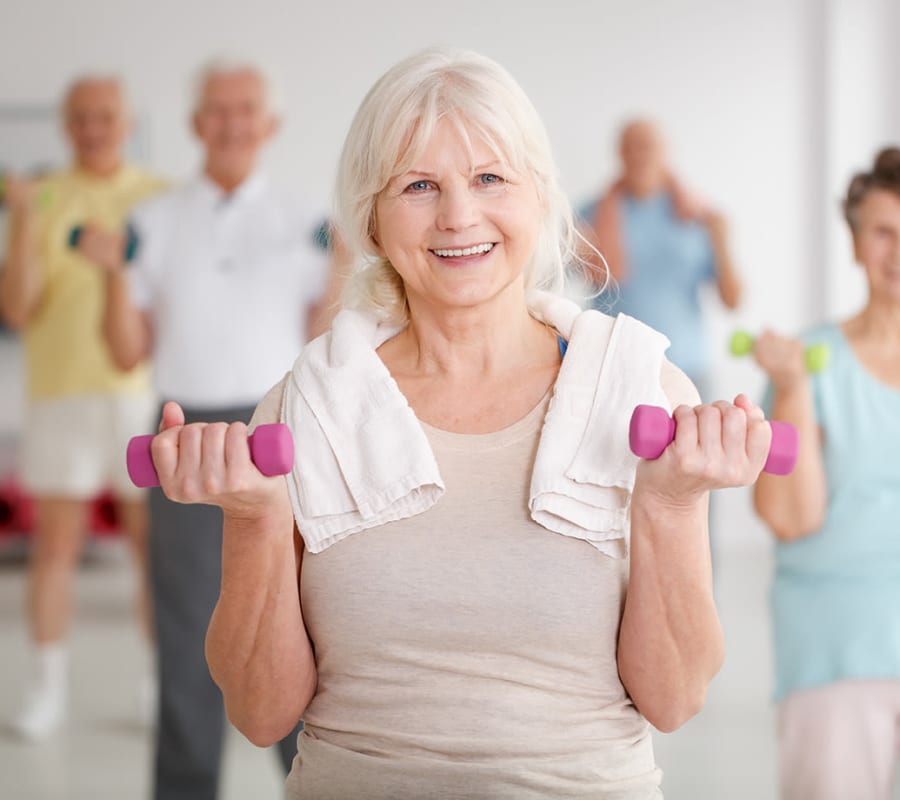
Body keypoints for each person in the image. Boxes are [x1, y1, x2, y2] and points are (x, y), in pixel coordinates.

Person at [147, 48, 774, 799]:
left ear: (537, 197)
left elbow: (673, 700)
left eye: (489, 178)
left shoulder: (638, 388)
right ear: (372, 219)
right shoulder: (306, 408)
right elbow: (260, 711)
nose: (459, 216)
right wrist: (254, 519)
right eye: (419, 185)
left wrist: (670, 504)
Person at [82, 59, 329, 799]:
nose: (231, 121)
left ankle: (313, 782)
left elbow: (326, 341)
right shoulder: (151, 223)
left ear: (270, 123)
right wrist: (109, 275)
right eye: (217, 109)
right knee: (187, 627)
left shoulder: (312, 219)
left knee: (296, 620)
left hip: (280, 434)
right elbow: (127, 349)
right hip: (182, 436)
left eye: (246, 107)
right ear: (196, 125)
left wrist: (349, 267)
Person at [0, 75, 167, 741]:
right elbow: (16, 308)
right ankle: (47, 691)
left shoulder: (158, 198)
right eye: (80, 118)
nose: (93, 128)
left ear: (125, 122)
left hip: (140, 395)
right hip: (59, 394)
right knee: (55, 550)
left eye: (105, 116)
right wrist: (23, 221)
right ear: (66, 126)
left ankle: (159, 686)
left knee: (151, 551)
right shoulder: (39, 197)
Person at [753, 147, 900, 800]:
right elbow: (790, 516)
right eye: (883, 232)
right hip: (839, 646)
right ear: (855, 243)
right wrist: (790, 391)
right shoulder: (807, 363)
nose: (898, 251)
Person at [579, 119, 742, 399]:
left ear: (666, 151)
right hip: (614, 370)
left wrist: (722, 242)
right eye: (630, 147)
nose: (639, 155)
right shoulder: (590, 215)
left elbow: (733, 301)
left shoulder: (698, 216)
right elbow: (556, 278)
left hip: (688, 368)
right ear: (619, 154)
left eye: (647, 146)